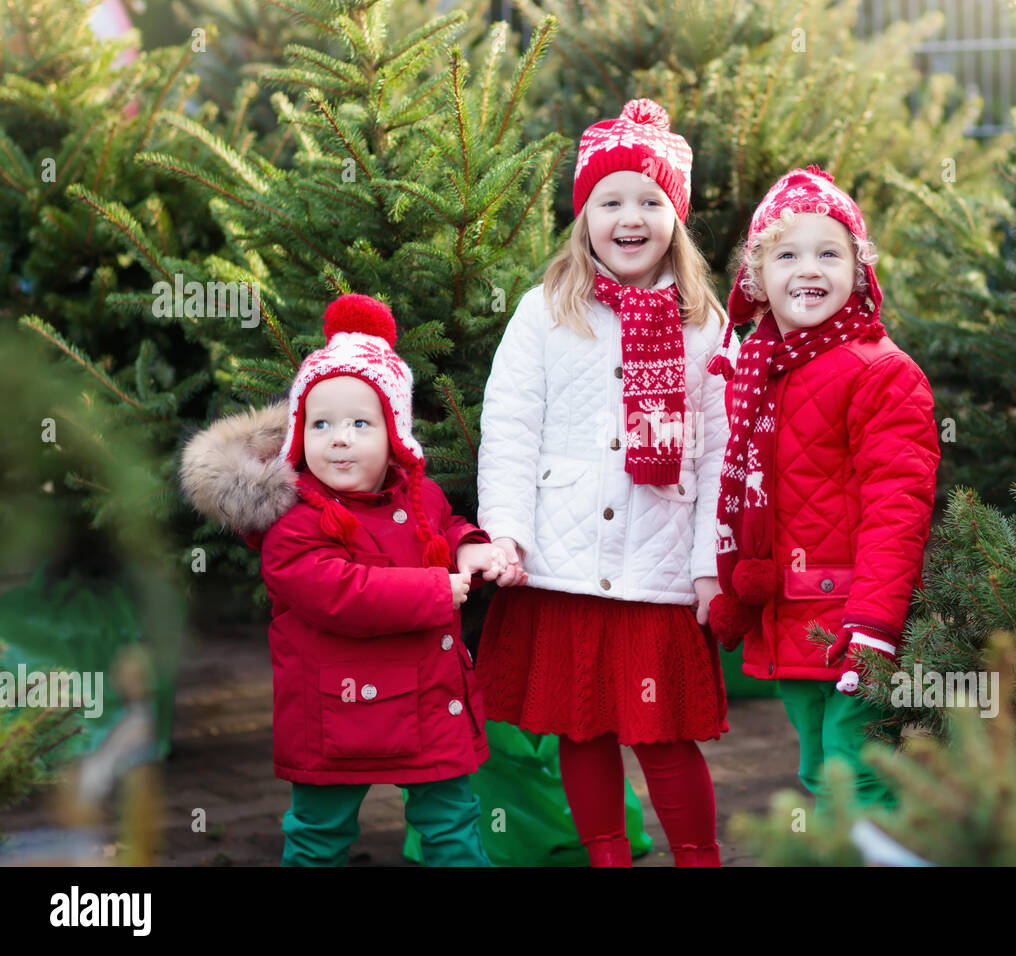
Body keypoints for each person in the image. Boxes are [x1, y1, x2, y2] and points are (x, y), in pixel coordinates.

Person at [474, 99, 730, 867]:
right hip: (564, 565)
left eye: (651, 201)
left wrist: (709, 566)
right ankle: (607, 857)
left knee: (664, 735)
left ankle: (698, 856)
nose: (631, 217)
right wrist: (505, 534)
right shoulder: (545, 311)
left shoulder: (704, 322)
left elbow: (722, 450)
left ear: (675, 219)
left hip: (659, 568)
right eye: (610, 201)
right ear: (583, 215)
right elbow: (511, 429)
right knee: (582, 728)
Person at [179, 293, 520, 866]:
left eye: (361, 423)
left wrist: (468, 548)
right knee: (319, 834)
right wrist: (436, 590)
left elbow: (445, 523)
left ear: (395, 435)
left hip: (429, 702)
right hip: (336, 713)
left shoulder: (420, 495)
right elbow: (340, 593)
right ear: (299, 434)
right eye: (321, 423)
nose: (339, 437)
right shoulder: (293, 522)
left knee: (453, 827)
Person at [706, 165, 940, 810]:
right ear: (756, 279)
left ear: (860, 273)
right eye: (788, 254)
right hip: (787, 615)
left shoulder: (881, 373)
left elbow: (898, 507)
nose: (808, 269)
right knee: (815, 767)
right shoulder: (759, 368)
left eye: (829, 253)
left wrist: (873, 624)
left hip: (851, 621)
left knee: (856, 771)